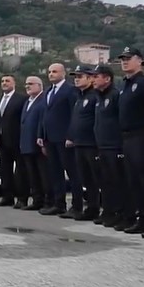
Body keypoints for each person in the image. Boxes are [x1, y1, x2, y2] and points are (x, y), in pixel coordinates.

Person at [117, 47, 144, 235]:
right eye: (122, 59)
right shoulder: (126, 84)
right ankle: (141, 217)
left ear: (139, 60)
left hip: (141, 136)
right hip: (127, 138)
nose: (124, 61)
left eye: (128, 58)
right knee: (133, 180)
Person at [41, 63, 81, 217]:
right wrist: (42, 136)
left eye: (55, 71)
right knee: (55, 172)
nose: (51, 74)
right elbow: (44, 116)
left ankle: (77, 206)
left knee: (72, 172)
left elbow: (74, 114)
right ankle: (59, 204)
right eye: (49, 71)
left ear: (63, 73)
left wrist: (71, 136)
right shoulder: (48, 91)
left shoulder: (70, 91)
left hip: (64, 138)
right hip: (50, 138)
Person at [92, 64, 128, 229]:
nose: (93, 79)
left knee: (116, 182)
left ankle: (119, 213)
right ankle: (107, 211)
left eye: (96, 76)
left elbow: (120, 121)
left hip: (114, 146)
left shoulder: (115, 95)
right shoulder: (98, 97)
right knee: (105, 182)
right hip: (102, 146)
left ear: (107, 78)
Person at [67, 65, 100, 221]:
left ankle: (98, 208)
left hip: (91, 144)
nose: (77, 79)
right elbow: (76, 121)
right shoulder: (79, 97)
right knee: (86, 178)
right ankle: (91, 208)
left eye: (80, 76)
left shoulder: (94, 96)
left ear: (90, 78)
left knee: (95, 178)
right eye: (75, 76)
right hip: (79, 143)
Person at [0, 75, 27, 207]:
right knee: (5, 170)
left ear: (14, 83)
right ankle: (7, 197)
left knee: (20, 170)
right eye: (2, 81)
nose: (4, 83)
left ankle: (22, 198)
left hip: (17, 140)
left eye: (7, 81)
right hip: (2, 140)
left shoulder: (21, 99)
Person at [18, 76, 48, 210]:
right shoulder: (27, 101)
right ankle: (37, 200)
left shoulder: (43, 100)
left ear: (39, 86)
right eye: (26, 84)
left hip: (37, 144)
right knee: (32, 175)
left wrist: (40, 137)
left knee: (43, 175)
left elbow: (43, 121)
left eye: (30, 84)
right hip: (26, 144)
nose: (27, 86)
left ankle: (46, 200)